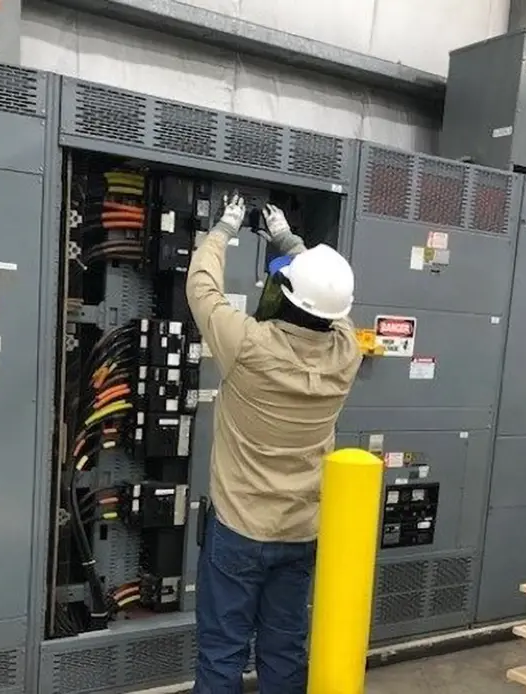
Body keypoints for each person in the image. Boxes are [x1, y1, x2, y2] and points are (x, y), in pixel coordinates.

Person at [185, 194, 363, 694]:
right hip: (300, 532)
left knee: (222, 652)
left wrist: (223, 229)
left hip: (239, 528)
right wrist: (289, 239)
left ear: (283, 292)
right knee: (284, 652)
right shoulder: (346, 354)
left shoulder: (247, 345)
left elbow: (201, 287)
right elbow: (331, 305)